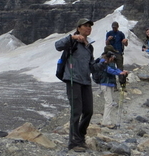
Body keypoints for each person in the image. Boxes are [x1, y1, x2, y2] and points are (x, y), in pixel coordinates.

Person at [55, 18, 101, 152]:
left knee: (88, 111)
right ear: (79, 28)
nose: (88, 28)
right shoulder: (72, 41)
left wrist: (103, 63)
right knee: (76, 111)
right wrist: (72, 37)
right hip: (72, 79)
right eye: (85, 26)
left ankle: (80, 136)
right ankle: (73, 142)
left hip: (85, 81)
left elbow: (91, 67)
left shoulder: (89, 46)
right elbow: (57, 45)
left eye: (90, 26)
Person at [96, 51, 128, 129]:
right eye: (112, 58)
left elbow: (114, 69)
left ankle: (105, 120)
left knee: (109, 102)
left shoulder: (110, 63)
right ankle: (106, 122)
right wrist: (120, 73)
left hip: (109, 84)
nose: (113, 59)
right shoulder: (102, 63)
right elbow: (110, 70)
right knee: (109, 103)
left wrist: (121, 72)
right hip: (105, 84)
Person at [105, 21, 129, 88]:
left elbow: (125, 44)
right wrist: (108, 39)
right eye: (113, 27)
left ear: (117, 27)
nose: (114, 29)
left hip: (119, 53)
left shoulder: (121, 34)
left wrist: (125, 41)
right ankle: (114, 85)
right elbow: (106, 44)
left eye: (115, 27)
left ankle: (122, 85)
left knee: (120, 69)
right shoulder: (109, 33)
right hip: (111, 54)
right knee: (112, 68)